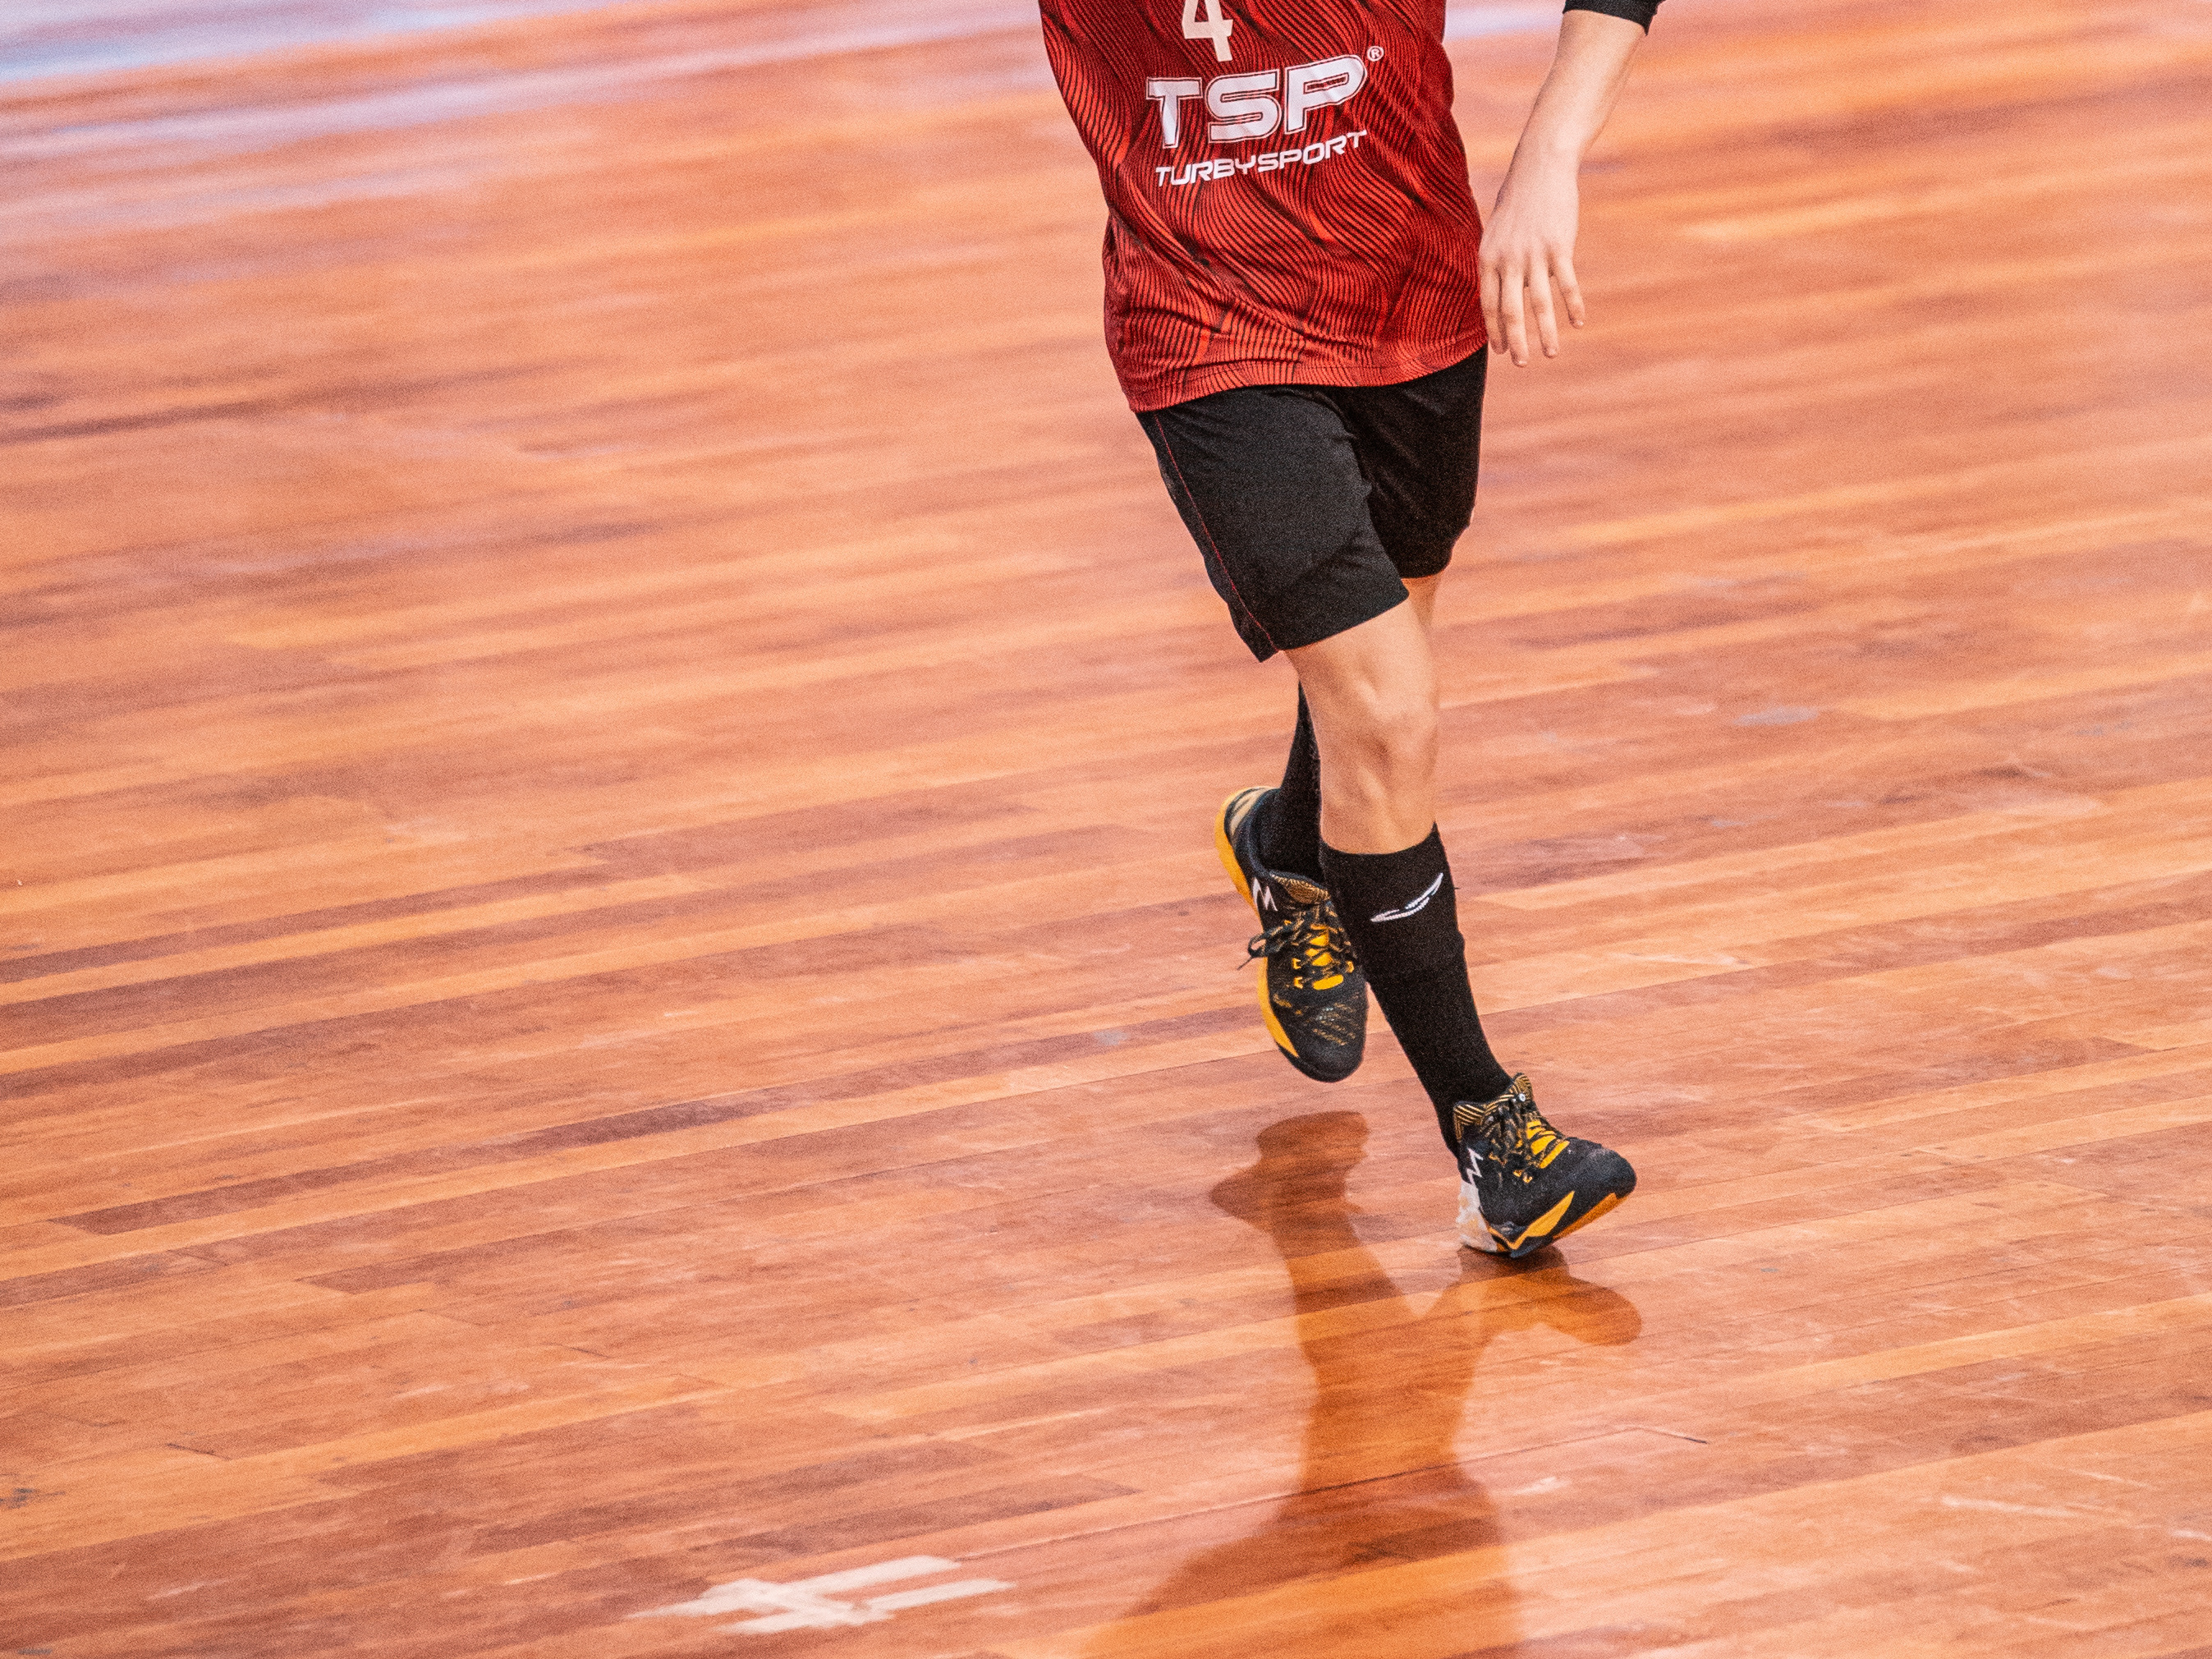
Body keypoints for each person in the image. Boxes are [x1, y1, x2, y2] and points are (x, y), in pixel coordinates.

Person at [1038, 0, 1659, 1257]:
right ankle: (1493, 1141)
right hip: (1209, 329)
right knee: (1385, 712)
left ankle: (1286, 846)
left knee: (1383, 667)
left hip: (1415, 298)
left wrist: (1548, 155)